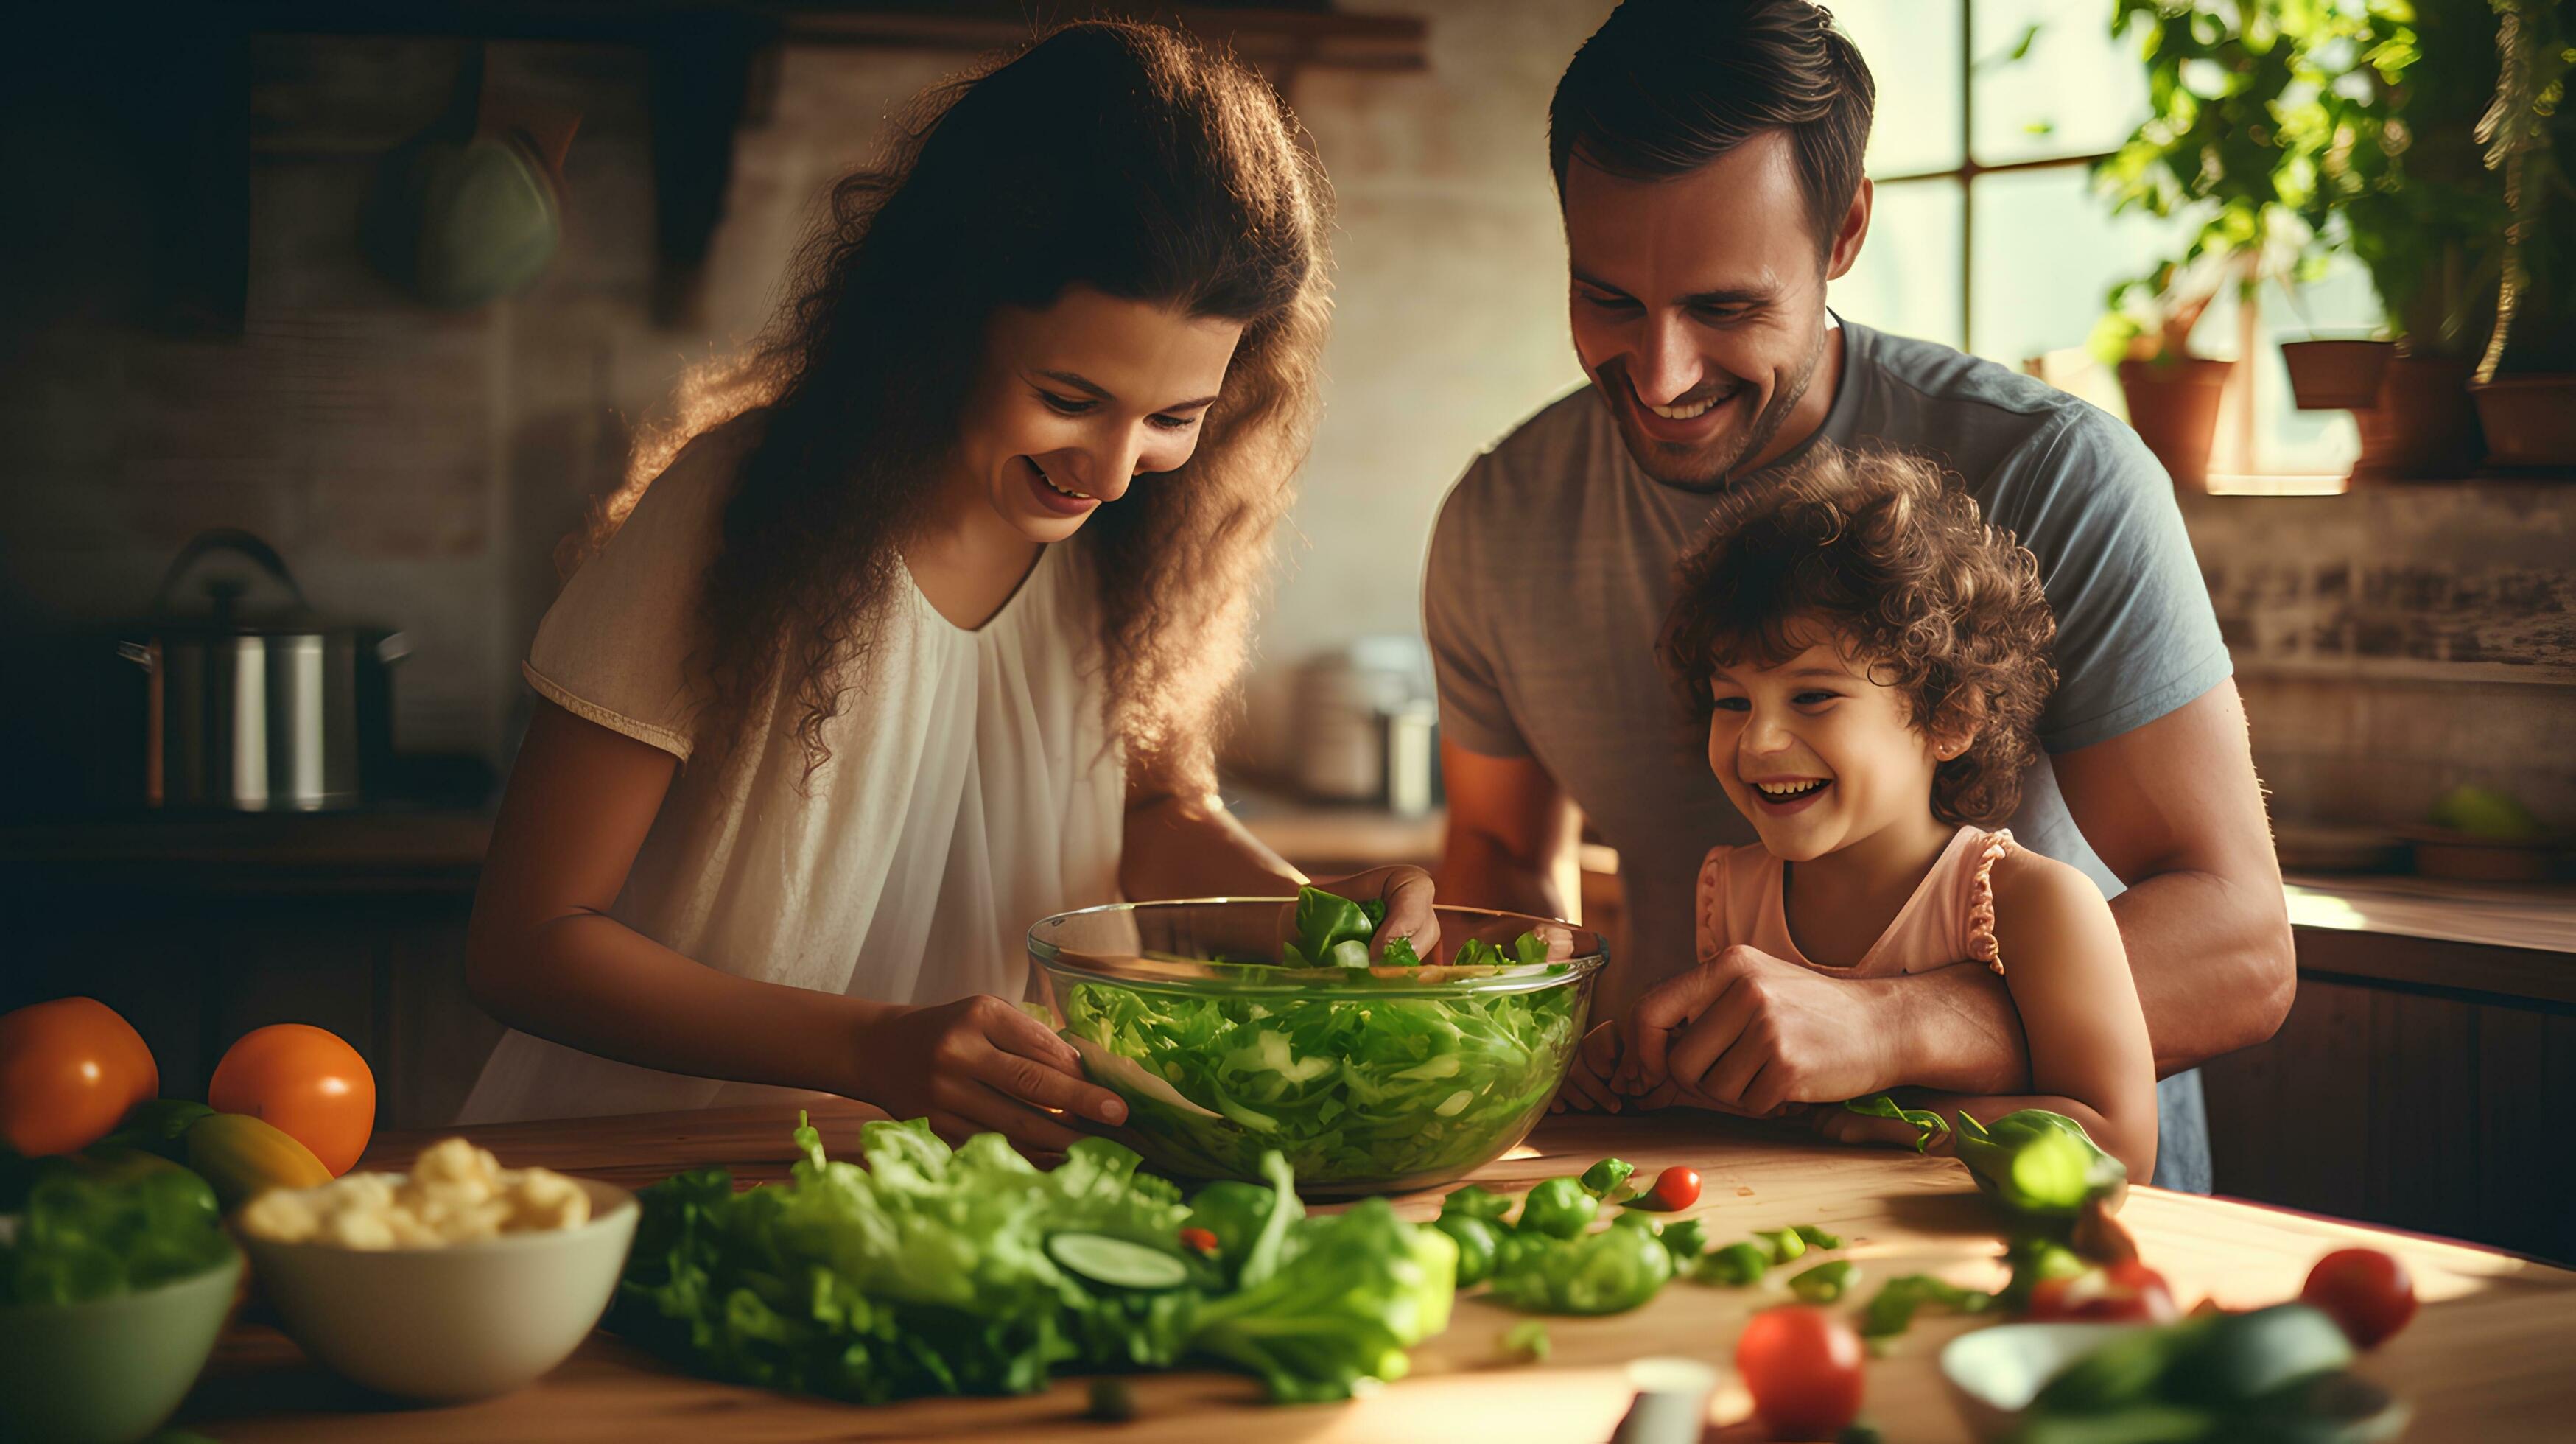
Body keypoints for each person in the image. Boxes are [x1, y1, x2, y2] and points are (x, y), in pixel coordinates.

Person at [460, 21, 1434, 1152]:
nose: (1113, 472)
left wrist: (1313, 915)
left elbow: (1155, 813)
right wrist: (868, 1051)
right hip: (666, 1165)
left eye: (1174, 418)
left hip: (969, 1184)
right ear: (942, 323)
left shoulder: (1151, 534)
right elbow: (524, 943)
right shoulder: (737, 507)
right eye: (1069, 397)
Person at [1425, 0, 2291, 1191]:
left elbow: (2242, 949)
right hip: (1727, 1203)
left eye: (1725, 308)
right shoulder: (1496, 520)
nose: (1661, 372)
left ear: (1844, 232)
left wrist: (1891, 1026)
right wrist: (1551, 1042)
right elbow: (1498, 854)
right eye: (1609, 299)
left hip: (2047, 1230)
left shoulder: (2050, 472)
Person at [1562, 446, 2157, 1181]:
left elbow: (2120, 1144)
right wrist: (1642, 1076)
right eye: (1731, 701)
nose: (1757, 739)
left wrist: (1895, 1121)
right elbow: (1754, 1111)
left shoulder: (2031, 903)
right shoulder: (1730, 888)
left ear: (1949, 716)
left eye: (1812, 696)